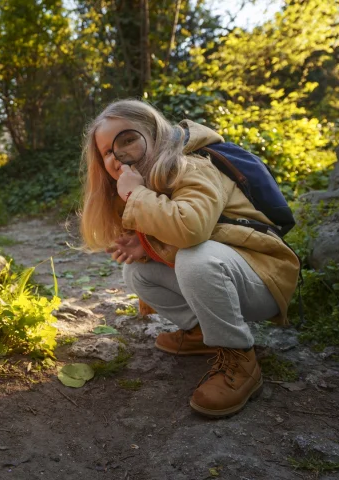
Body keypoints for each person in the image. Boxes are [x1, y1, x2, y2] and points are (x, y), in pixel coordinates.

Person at [80, 99, 299, 417]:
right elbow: (187, 234)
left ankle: (240, 358)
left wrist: (135, 195)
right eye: (107, 153)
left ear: (154, 134)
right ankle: (200, 332)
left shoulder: (191, 164)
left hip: (263, 275)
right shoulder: (153, 177)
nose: (119, 155)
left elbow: (191, 230)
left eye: (127, 139)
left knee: (196, 259)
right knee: (139, 273)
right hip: (230, 274)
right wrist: (148, 248)